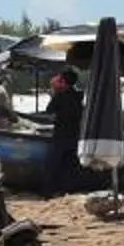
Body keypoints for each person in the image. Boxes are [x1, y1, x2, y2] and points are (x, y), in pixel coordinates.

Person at [42, 68, 84, 196]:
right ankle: (67, 190)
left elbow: (49, 110)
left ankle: (49, 191)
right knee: (70, 165)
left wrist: (54, 92)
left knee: (53, 164)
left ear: (63, 82)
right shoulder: (79, 94)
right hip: (75, 134)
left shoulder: (60, 96)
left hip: (61, 134)